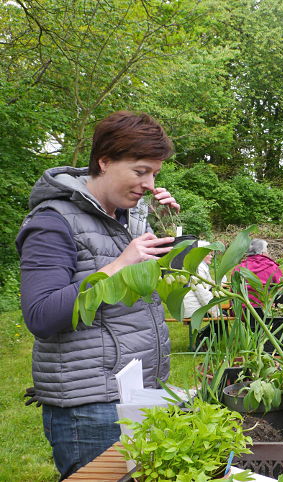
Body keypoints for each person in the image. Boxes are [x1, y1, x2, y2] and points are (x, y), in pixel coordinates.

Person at [15, 111, 179, 479]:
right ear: (104, 162)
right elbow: (40, 316)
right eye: (140, 172)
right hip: (89, 407)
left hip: (135, 393)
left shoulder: (128, 217)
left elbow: (139, 290)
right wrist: (121, 263)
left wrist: (166, 225)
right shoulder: (52, 222)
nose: (149, 183)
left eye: (154, 174)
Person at [234, 238, 283, 307]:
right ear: (262, 253)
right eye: (267, 251)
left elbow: (233, 290)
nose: (268, 253)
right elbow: (282, 289)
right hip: (265, 310)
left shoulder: (238, 269)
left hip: (242, 310)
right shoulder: (272, 267)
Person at [182, 241, 220, 319]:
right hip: (194, 309)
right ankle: (203, 332)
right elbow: (202, 293)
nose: (211, 256)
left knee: (222, 317)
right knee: (222, 318)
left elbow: (208, 282)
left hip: (198, 305)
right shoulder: (198, 268)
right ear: (201, 255)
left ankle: (204, 332)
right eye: (209, 254)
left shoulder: (202, 266)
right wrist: (215, 312)